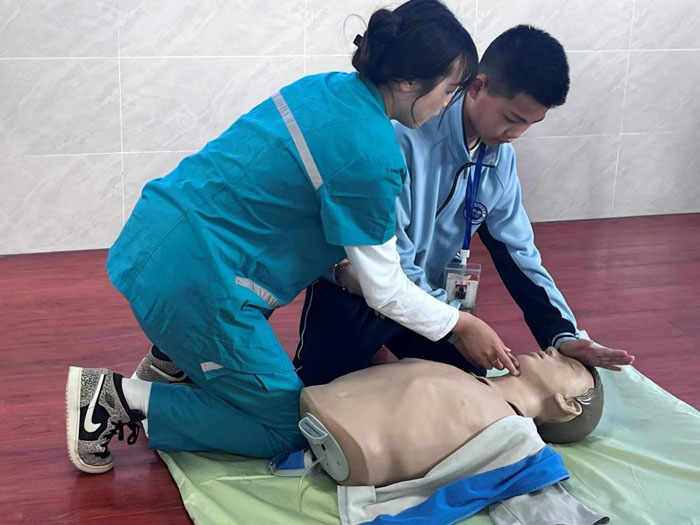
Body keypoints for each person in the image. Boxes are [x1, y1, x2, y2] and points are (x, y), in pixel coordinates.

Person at [65, 0, 518, 475]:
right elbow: (386, 290)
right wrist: (461, 324)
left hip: (155, 240)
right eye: (448, 90)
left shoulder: (323, 89)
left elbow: (279, 206)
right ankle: (119, 399)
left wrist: (343, 273)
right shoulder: (372, 154)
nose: (447, 104)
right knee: (287, 428)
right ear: (408, 81)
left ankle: (174, 358)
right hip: (195, 285)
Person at [293, 25, 634, 387]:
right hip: (359, 286)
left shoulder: (499, 160)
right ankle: (371, 354)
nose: (516, 134)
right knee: (320, 392)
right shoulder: (402, 136)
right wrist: (459, 326)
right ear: (477, 87)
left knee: (471, 382)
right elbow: (390, 265)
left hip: (427, 298)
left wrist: (563, 334)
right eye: (512, 119)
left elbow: (519, 254)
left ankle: (387, 357)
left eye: (530, 124)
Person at [300, 346, 603, 487]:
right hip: (325, 405)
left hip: (351, 449)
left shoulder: (499, 428)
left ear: (568, 405)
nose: (552, 350)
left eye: (568, 365)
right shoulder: (471, 382)